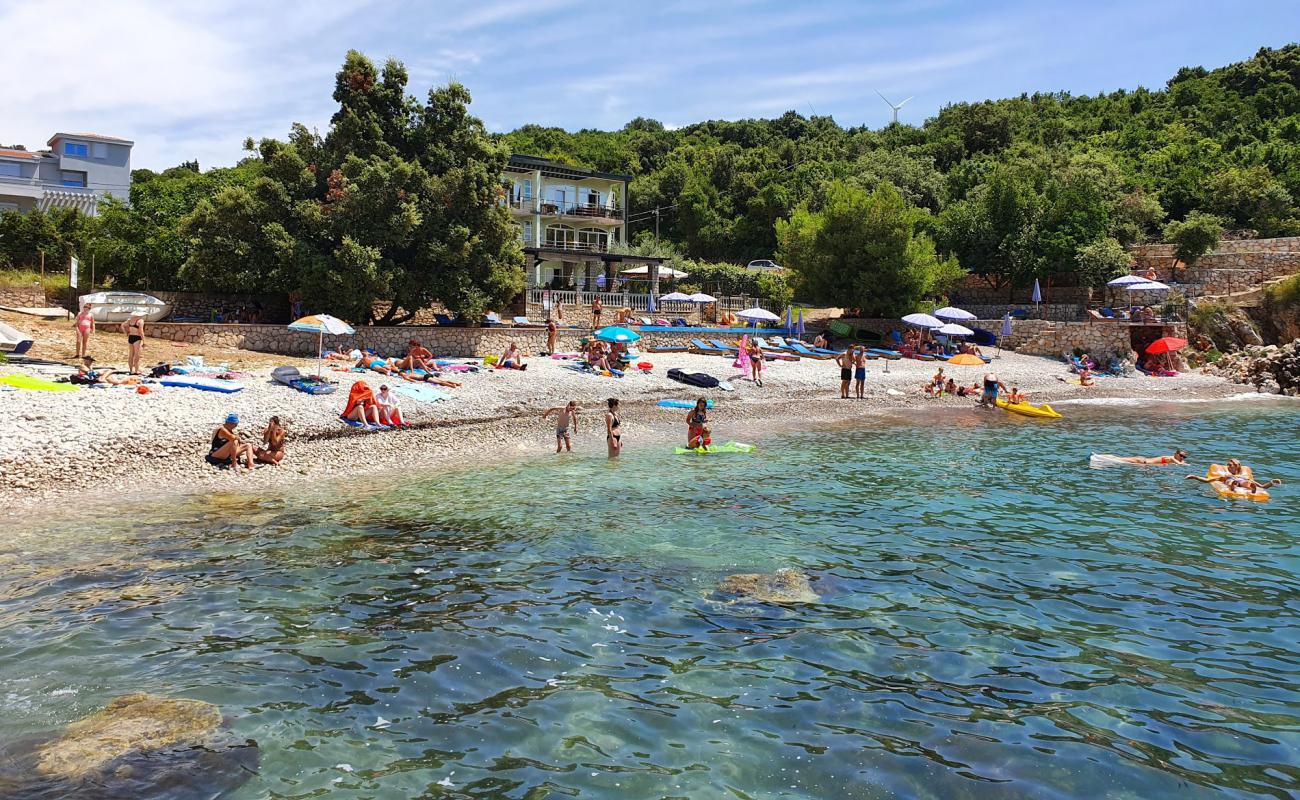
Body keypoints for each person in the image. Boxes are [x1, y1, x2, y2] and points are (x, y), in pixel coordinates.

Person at [1111, 449, 1189, 465]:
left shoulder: (1172, 460)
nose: (1182, 458)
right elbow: (1179, 464)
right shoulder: (1172, 458)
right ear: (1176, 454)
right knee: (1117, 459)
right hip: (1141, 461)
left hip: (1142, 461)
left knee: (1118, 459)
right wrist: (1186, 464)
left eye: (1184, 457)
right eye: (1181, 456)